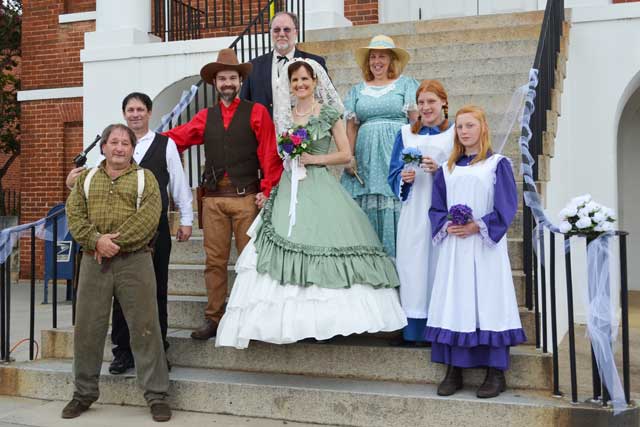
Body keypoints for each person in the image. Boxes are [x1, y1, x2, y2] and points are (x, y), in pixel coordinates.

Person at [215, 59, 407, 349]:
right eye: (295, 81)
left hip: (320, 183)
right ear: (289, 86)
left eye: (305, 79)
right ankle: (292, 322)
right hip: (290, 187)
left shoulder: (329, 114)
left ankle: (333, 321)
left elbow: (345, 155)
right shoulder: (285, 117)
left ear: (315, 82)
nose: (300, 85)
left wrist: (314, 159)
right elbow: (278, 157)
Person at [66, 92, 194, 375]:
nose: (135, 114)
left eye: (140, 109)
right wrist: (70, 183)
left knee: (156, 292)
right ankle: (123, 352)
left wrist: (186, 219)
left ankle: (157, 352)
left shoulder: (165, 145)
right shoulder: (113, 145)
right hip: (109, 236)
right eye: (130, 110)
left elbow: (179, 184)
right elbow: (88, 189)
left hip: (153, 230)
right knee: (118, 296)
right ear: (124, 114)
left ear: (149, 113)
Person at [165, 49, 283, 340]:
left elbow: (269, 153)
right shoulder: (206, 116)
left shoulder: (257, 112)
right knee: (214, 262)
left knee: (250, 262)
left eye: (232, 77)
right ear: (214, 83)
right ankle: (214, 318)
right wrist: (142, 141)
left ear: (240, 81)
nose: (227, 83)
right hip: (214, 200)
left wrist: (268, 190)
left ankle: (249, 317)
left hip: (246, 198)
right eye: (222, 78)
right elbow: (176, 138)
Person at [63, 124, 171, 422]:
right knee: (87, 329)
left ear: (132, 149)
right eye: (114, 142)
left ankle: (157, 395)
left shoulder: (144, 179)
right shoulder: (86, 179)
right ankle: (83, 393)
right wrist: (95, 241)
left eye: (125, 143)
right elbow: (74, 215)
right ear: (104, 147)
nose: (119, 148)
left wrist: (112, 243)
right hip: (93, 261)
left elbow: (149, 218)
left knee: (145, 328)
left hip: (135, 261)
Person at [426, 105, 526, 398]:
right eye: (459, 127)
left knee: (488, 303)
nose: (464, 131)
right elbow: (436, 207)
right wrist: (447, 224)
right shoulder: (447, 168)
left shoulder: (497, 164)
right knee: (455, 302)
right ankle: (453, 370)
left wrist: (477, 226)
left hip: (485, 249)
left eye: (470, 125)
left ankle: (495, 373)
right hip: (455, 248)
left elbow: (506, 207)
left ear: (483, 128)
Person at [387, 80, 454, 346]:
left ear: (443, 103)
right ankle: (413, 329)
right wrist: (404, 177)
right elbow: (392, 172)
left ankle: (439, 325)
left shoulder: (453, 134)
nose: (426, 108)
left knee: (437, 265)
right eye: (422, 102)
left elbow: (464, 169)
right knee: (412, 265)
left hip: (440, 210)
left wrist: (440, 170)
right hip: (413, 208)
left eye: (431, 102)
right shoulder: (405, 134)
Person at [340, 35, 419, 257]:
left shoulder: (406, 84)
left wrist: (413, 157)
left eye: (382, 56)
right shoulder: (357, 90)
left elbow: (415, 122)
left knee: (392, 199)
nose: (377, 61)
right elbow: (352, 126)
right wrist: (349, 156)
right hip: (366, 157)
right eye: (373, 57)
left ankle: (395, 261)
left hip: (394, 154)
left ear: (391, 60)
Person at [240, 11, 326, 116]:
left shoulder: (314, 63)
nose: (281, 34)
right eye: (276, 30)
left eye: (287, 29)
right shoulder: (253, 67)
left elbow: (325, 101)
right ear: (271, 33)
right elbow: (244, 106)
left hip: (302, 130)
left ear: (296, 32)